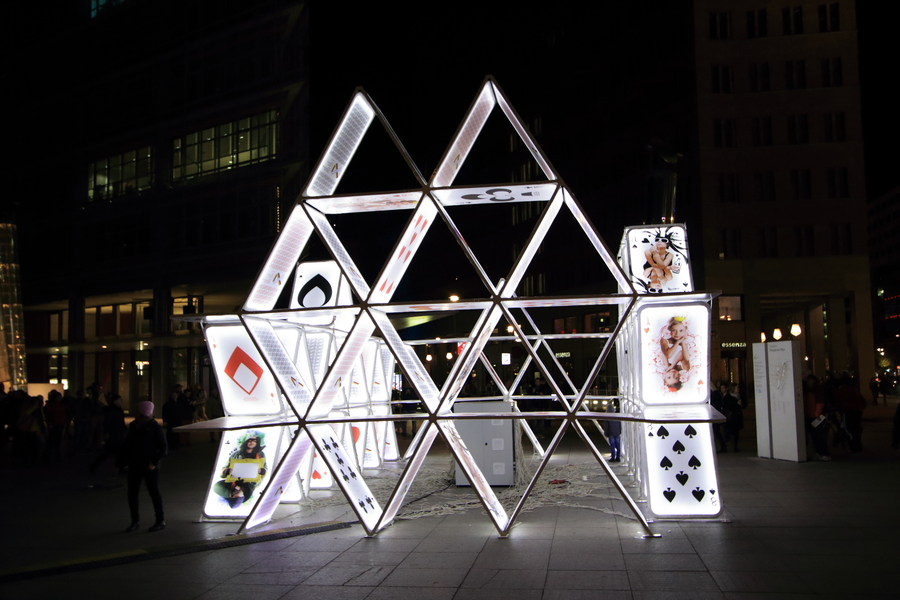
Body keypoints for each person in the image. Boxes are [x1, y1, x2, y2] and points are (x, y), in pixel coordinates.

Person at [118, 401, 167, 532]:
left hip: (149, 465)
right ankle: (135, 521)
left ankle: (160, 520)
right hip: (134, 464)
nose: (137, 416)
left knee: (153, 492)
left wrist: (153, 462)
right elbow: (127, 445)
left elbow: (163, 448)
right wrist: (123, 462)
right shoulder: (134, 427)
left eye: (139, 414)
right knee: (132, 493)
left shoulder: (154, 428)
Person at [213, 431, 268, 508]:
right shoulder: (236, 454)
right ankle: (234, 493)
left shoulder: (260, 455)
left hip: (249, 481)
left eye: (254, 441)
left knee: (239, 493)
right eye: (249, 440)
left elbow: (265, 470)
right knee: (216, 487)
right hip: (236, 480)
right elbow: (222, 471)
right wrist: (227, 471)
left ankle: (236, 494)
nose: (252, 442)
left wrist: (261, 471)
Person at [721, 384, 746, 452]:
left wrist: (741, 404)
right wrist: (736, 404)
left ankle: (735, 445)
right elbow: (727, 406)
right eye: (736, 388)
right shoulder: (728, 397)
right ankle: (729, 442)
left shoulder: (740, 396)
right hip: (731, 417)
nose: (738, 389)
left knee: (736, 432)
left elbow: (744, 404)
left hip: (737, 416)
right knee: (730, 430)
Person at [710, 383, 728, 453]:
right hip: (716, 414)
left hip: (714, 414)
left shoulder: (714, 394)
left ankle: (723, 446)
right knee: (716, 431)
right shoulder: (717, 393)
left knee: (716, 431)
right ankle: (723, 445)